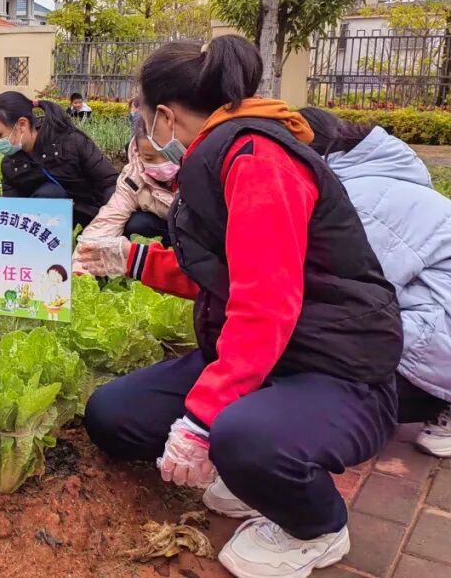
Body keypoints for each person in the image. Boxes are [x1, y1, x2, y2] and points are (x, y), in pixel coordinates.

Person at [77, 36, 401, 578]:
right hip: (265, 359)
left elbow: (265, 301)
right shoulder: (223, 152)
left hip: (333, 367)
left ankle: (318, 526)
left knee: (244, 438)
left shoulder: (258, 159)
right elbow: (223, 269)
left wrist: (203, 419)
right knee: (114, 417)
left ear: (162, 114)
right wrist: (132, 261)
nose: (143, 132)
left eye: (141, 116)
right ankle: (247, 461)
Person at [302, 107, 451, 457]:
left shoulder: (362, 203)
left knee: (322, 340)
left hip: (441, 333)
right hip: (433, 319)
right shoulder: (372, 179)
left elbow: (348, 298)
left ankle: (430, 398)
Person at [0, 92, 117, 229]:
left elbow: (109, 181)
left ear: (22, 124)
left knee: (51, 194)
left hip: (95, 218)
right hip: (46, 232)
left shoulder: (70, 141)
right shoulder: (10, 165)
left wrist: (108, 220)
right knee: (49, 194)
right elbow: (12, 212)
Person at [79, 112, 176, 246]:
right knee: (137, 223)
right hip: (165, 226)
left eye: (167, 155)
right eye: (149, 158)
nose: (160, 164)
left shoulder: (198, 167)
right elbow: (110, 218)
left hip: (197, 231)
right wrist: (85, 255)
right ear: (137, 152)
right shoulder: (133, 176)